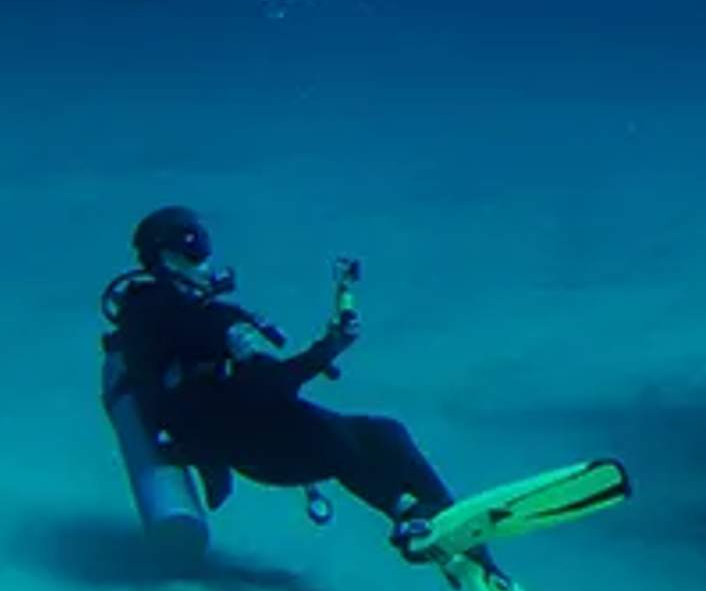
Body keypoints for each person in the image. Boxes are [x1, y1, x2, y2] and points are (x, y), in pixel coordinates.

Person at [99, 205, 453, 554]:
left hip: (240, 428)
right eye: (196, 253)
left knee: (381, 433)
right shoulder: (196, 321)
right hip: (246, 443)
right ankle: (411, 519)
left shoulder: (152, 313)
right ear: (167, 260)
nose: (206, 264)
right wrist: (328, 349)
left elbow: (252, 383)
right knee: (347, 445)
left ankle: (441, 515)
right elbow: (272, 385)